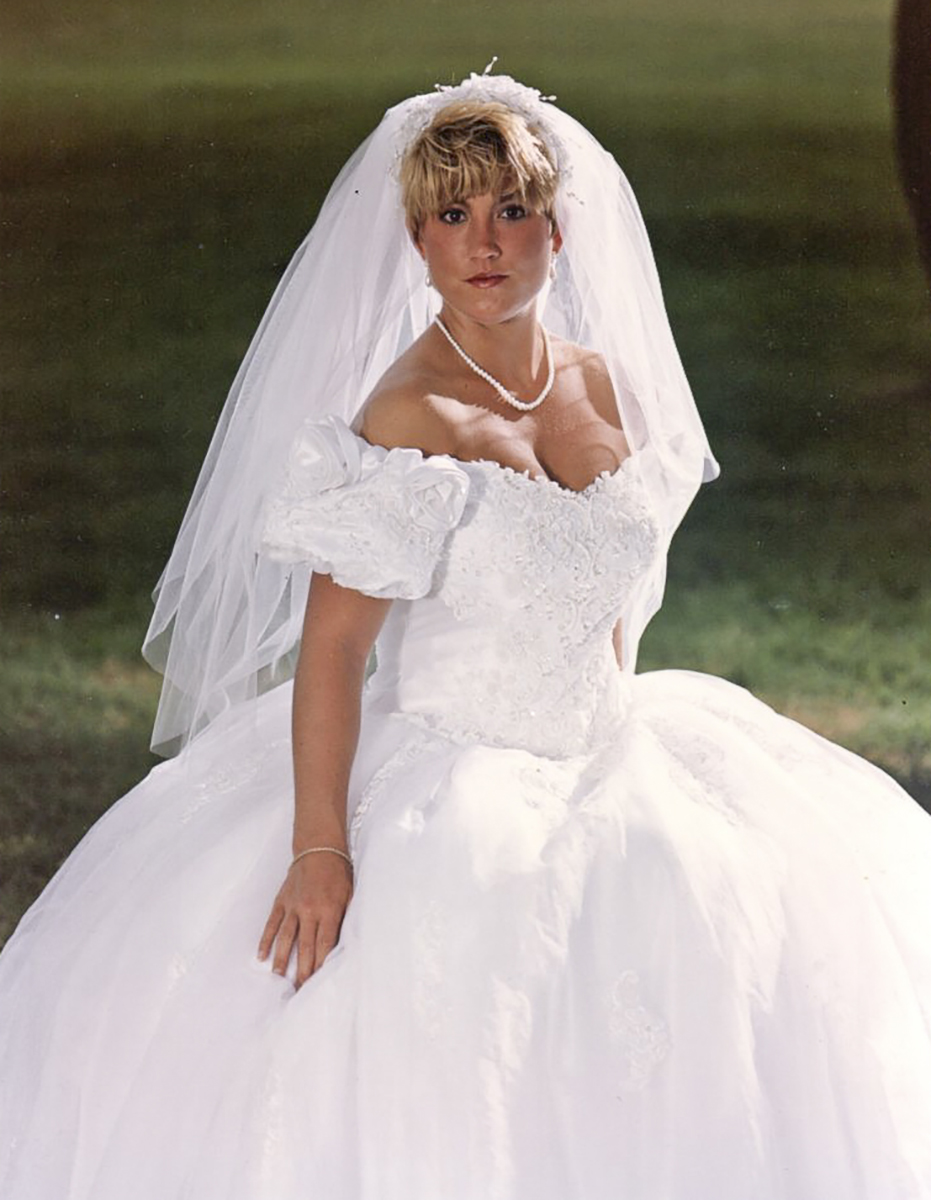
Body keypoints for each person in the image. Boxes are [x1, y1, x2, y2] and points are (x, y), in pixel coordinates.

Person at [1, 69, 930, 1200]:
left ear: (557, 230)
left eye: (510, 210)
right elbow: (334, 651)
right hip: (451, 766)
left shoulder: (609, 389)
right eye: (451, 215)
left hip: (609, 748)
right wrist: (319, 848)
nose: (483, 242)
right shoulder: (409, 415)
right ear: (418, 241)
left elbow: (607, 600)